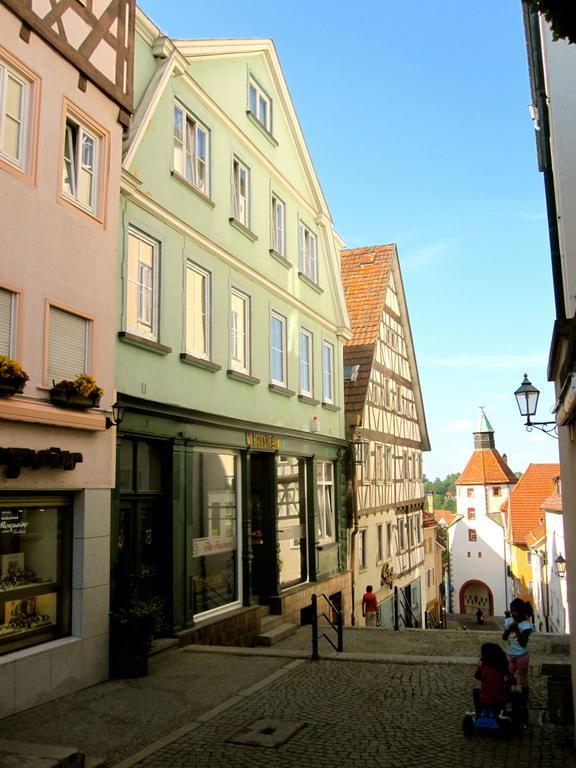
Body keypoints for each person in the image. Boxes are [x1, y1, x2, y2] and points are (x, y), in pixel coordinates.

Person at [503, 598, 533, 719]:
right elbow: (504, 637)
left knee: (523, 681)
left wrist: (516, 629)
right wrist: (509, 628)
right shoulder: (509, 621)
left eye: (515, 611)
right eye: (511, 611)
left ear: (520, 612)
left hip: (522, 657)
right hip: (510, 656)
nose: (513, 613)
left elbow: (523, 643)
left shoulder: (526, 626)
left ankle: (523, 704)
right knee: (508, 679)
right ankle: (506, 700)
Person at [473, 642, 511, 713]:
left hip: (485, 697)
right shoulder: (501, 665)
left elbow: (477, 676)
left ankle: (479, 711)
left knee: (476, 692)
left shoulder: (484, 665)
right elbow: (512, 680)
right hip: (497, 698)